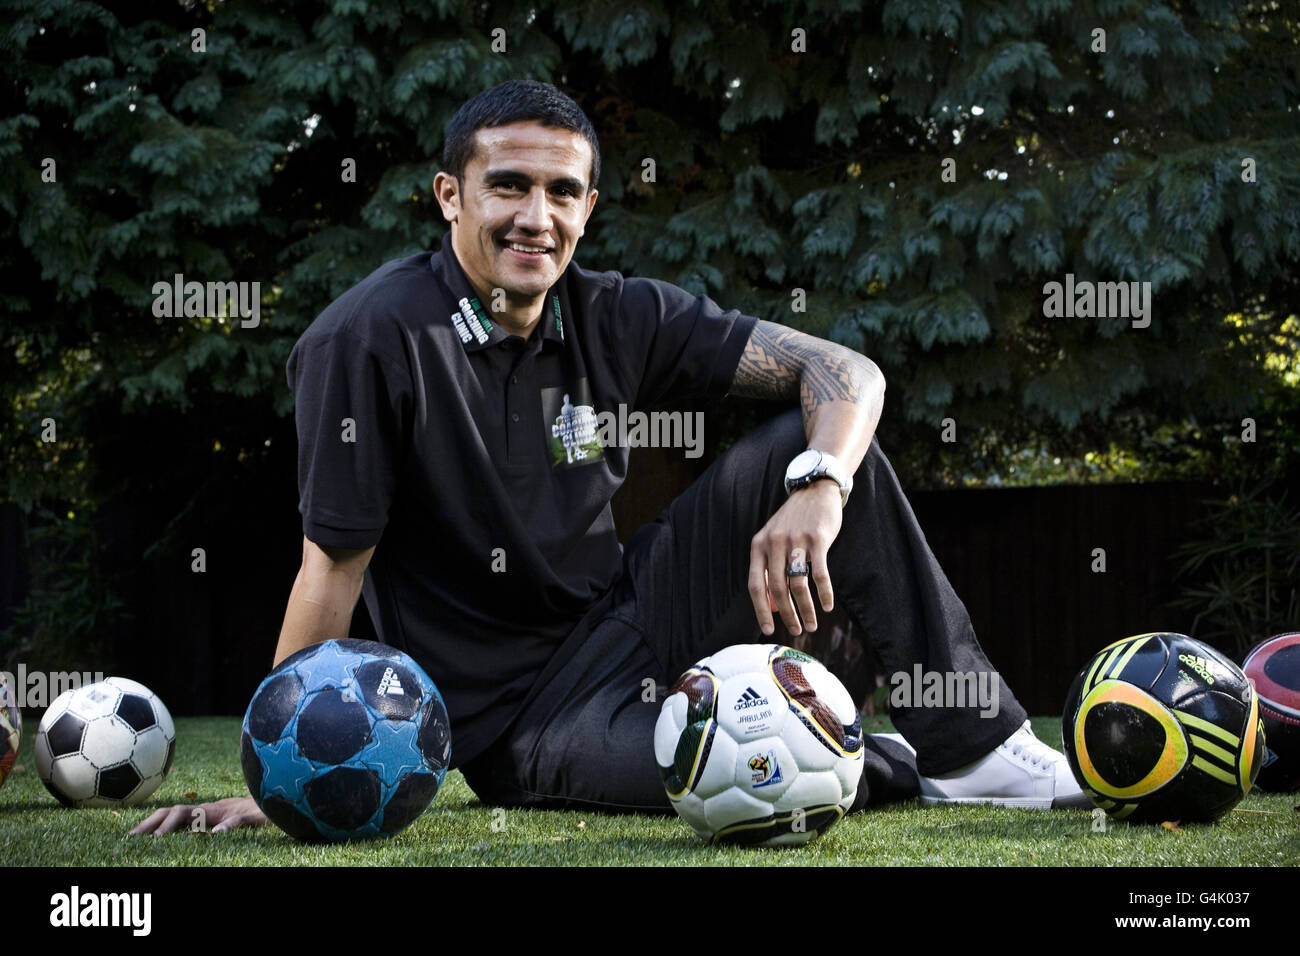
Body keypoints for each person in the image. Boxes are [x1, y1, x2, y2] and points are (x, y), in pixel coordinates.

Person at [133, 79, 1086, 837]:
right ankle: (899, 764)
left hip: (632, 614)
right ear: (450, 196)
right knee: (752, 783)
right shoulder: (369, 341)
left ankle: (978, 750)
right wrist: (282, 781)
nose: (532, 216)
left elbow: (844, 370)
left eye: (559, 191)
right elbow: (330, 568)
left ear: (588, 206)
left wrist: (820, 488)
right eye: (507, 185)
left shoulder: (617, 311)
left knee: (821, 442)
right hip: (524, 722)